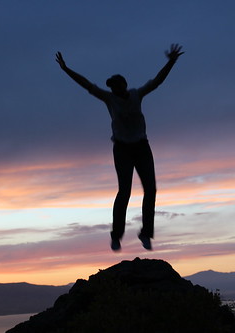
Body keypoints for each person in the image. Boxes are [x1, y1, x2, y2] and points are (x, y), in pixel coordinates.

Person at [55, 44, 184, 251]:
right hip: (122, 148)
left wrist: (171, 62)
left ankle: (146, 233)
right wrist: (66, 69)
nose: (115, 89)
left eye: (117, 85)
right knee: (124, 192)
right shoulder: (109, 98)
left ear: (124, 84)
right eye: (113, 87)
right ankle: (116, 236)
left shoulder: (136, 94)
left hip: (141, 147)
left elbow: (158, 81)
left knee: (150, 189)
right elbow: (87, 85)